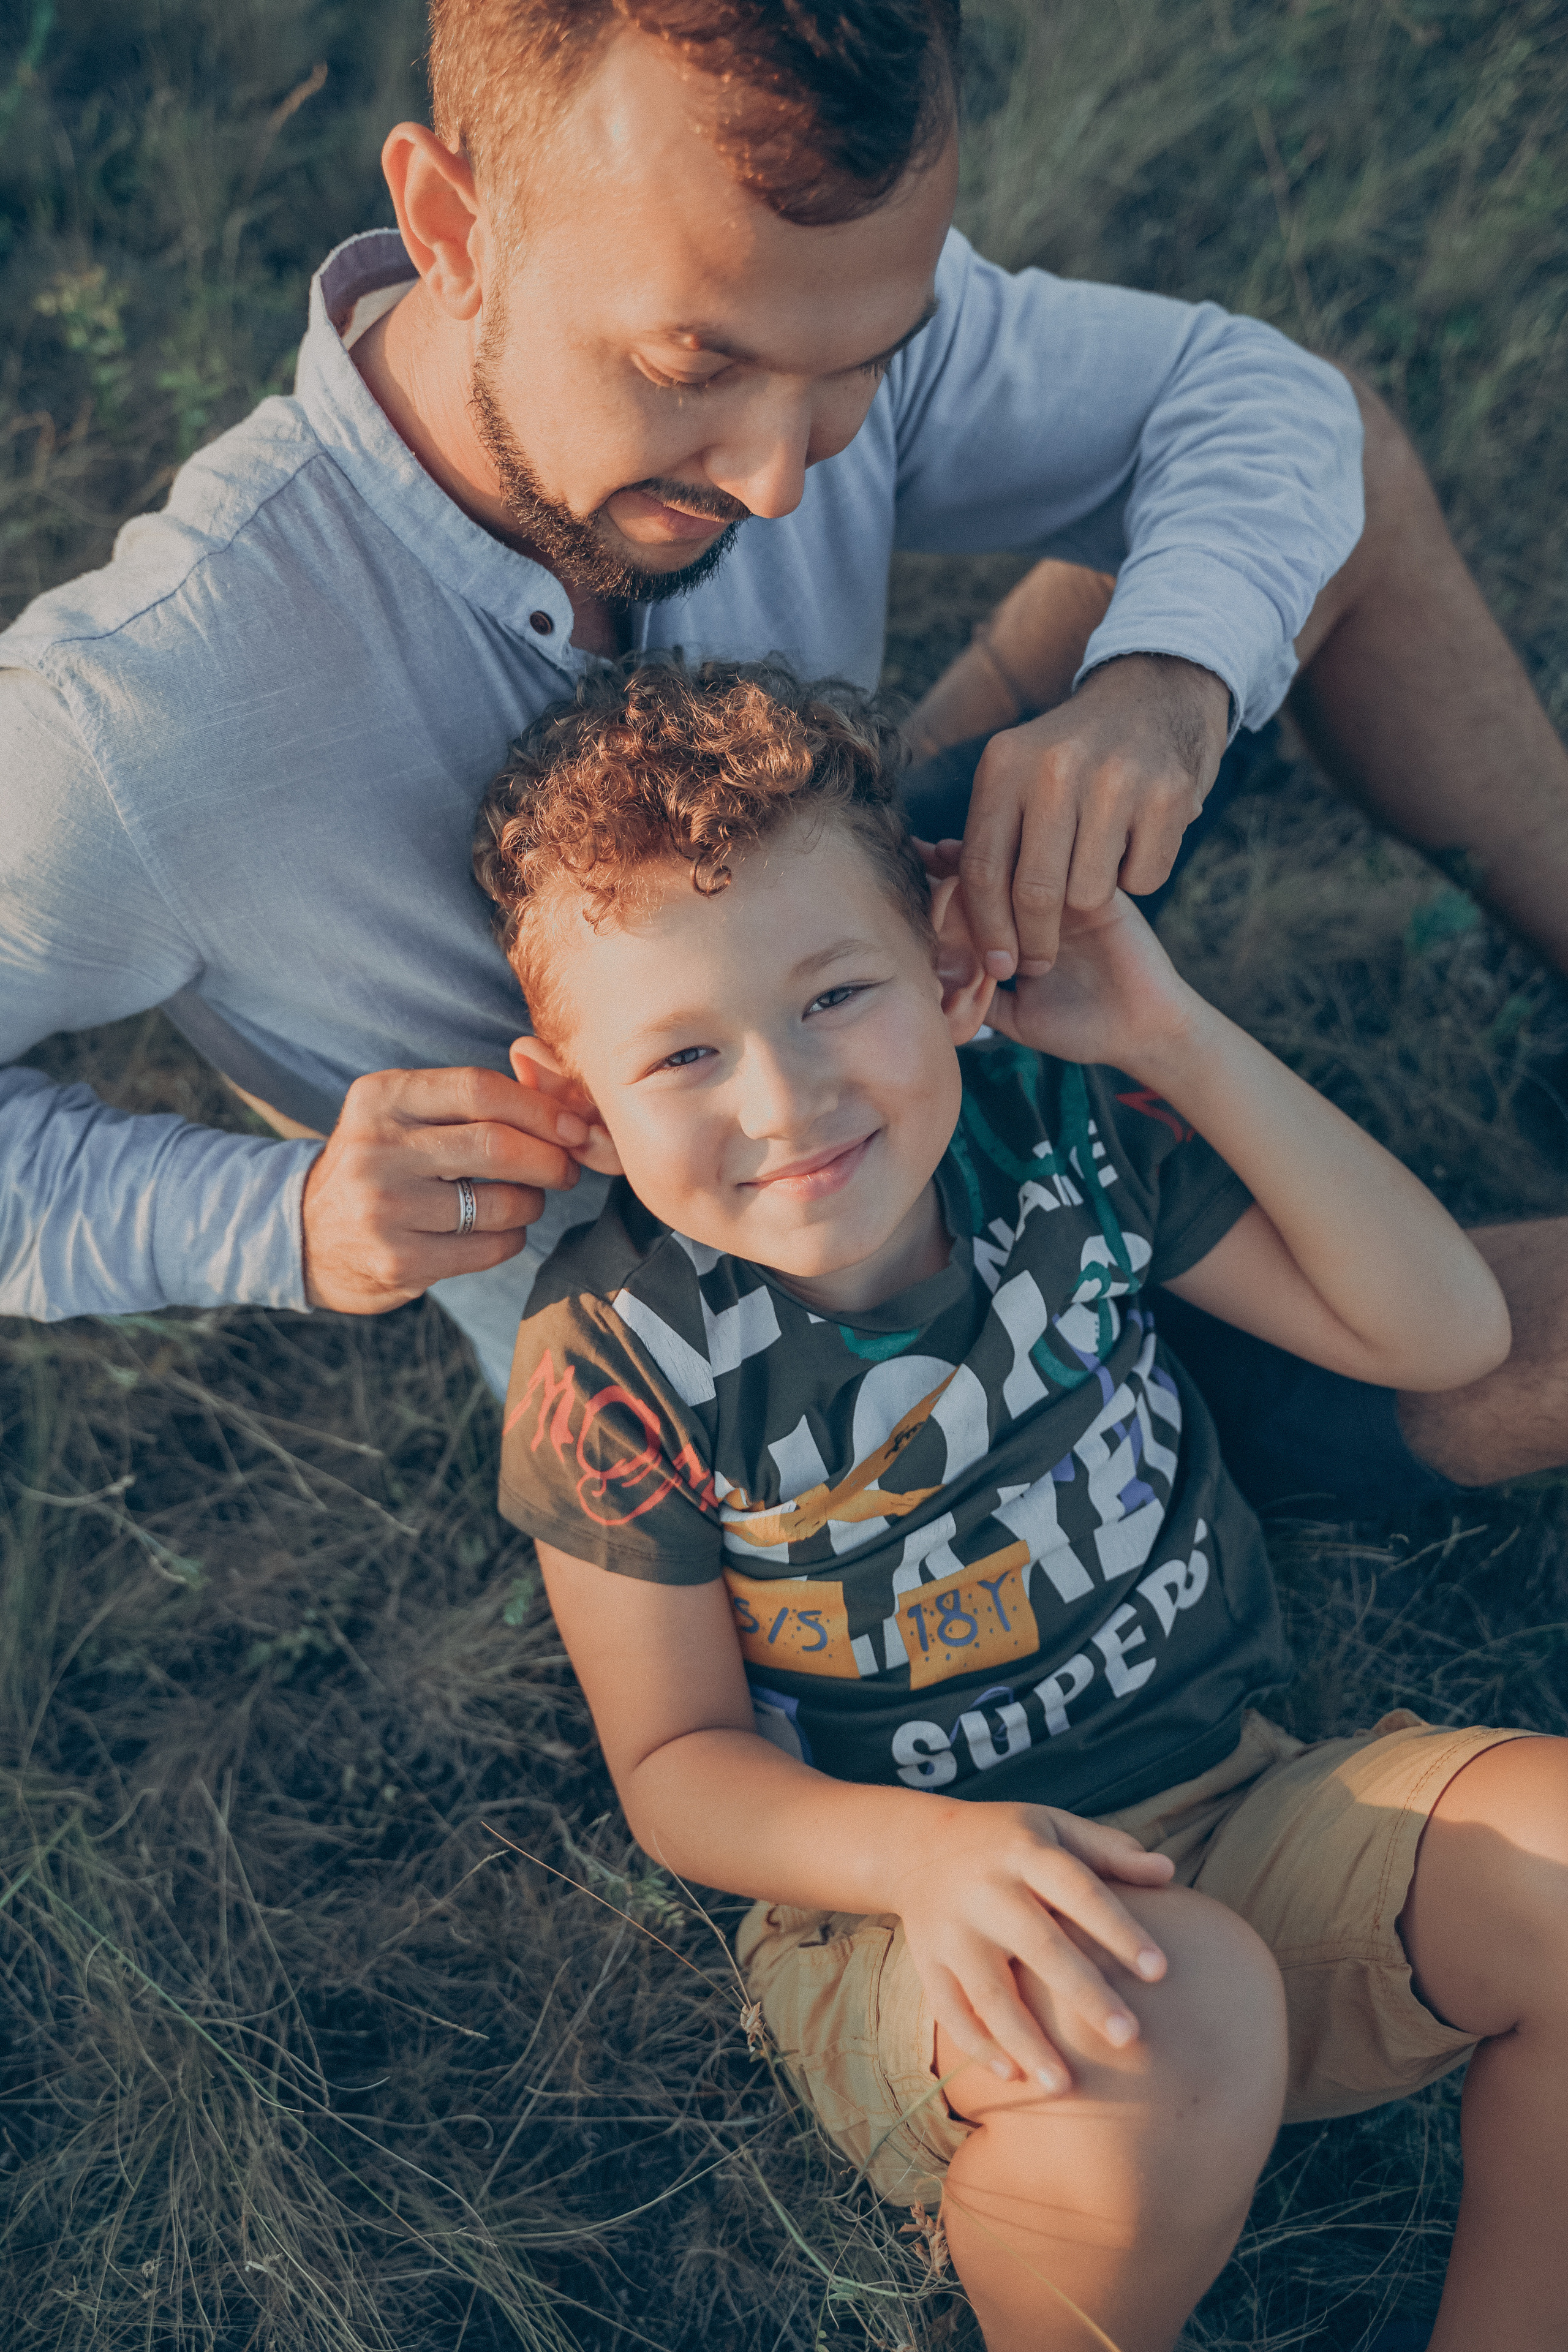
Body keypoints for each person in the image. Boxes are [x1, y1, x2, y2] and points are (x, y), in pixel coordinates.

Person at [2, 0, 1566, 1504]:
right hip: (798, 1371)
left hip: (907, 931)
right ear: (450, 225)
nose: (773, 482)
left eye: (861, 364)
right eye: (692, 371)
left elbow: (1265, 406)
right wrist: (284, 1219)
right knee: (1508, 1355)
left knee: (1311, 492)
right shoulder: (130, 718)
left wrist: (1164, 688)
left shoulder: (798, 288)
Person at [477, 658, 1567, 2352]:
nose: (785, 1101)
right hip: (905, 1917)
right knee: (1178, 2009)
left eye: (837, 995)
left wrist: (1169, 1035)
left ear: (944, 961)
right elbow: (678, 1768)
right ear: (576, 1104)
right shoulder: (613, 1355)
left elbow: (1443, 1332)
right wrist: (923, 1856)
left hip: (1241, 1799)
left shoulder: (1058, 1133)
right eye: (683, 1051)